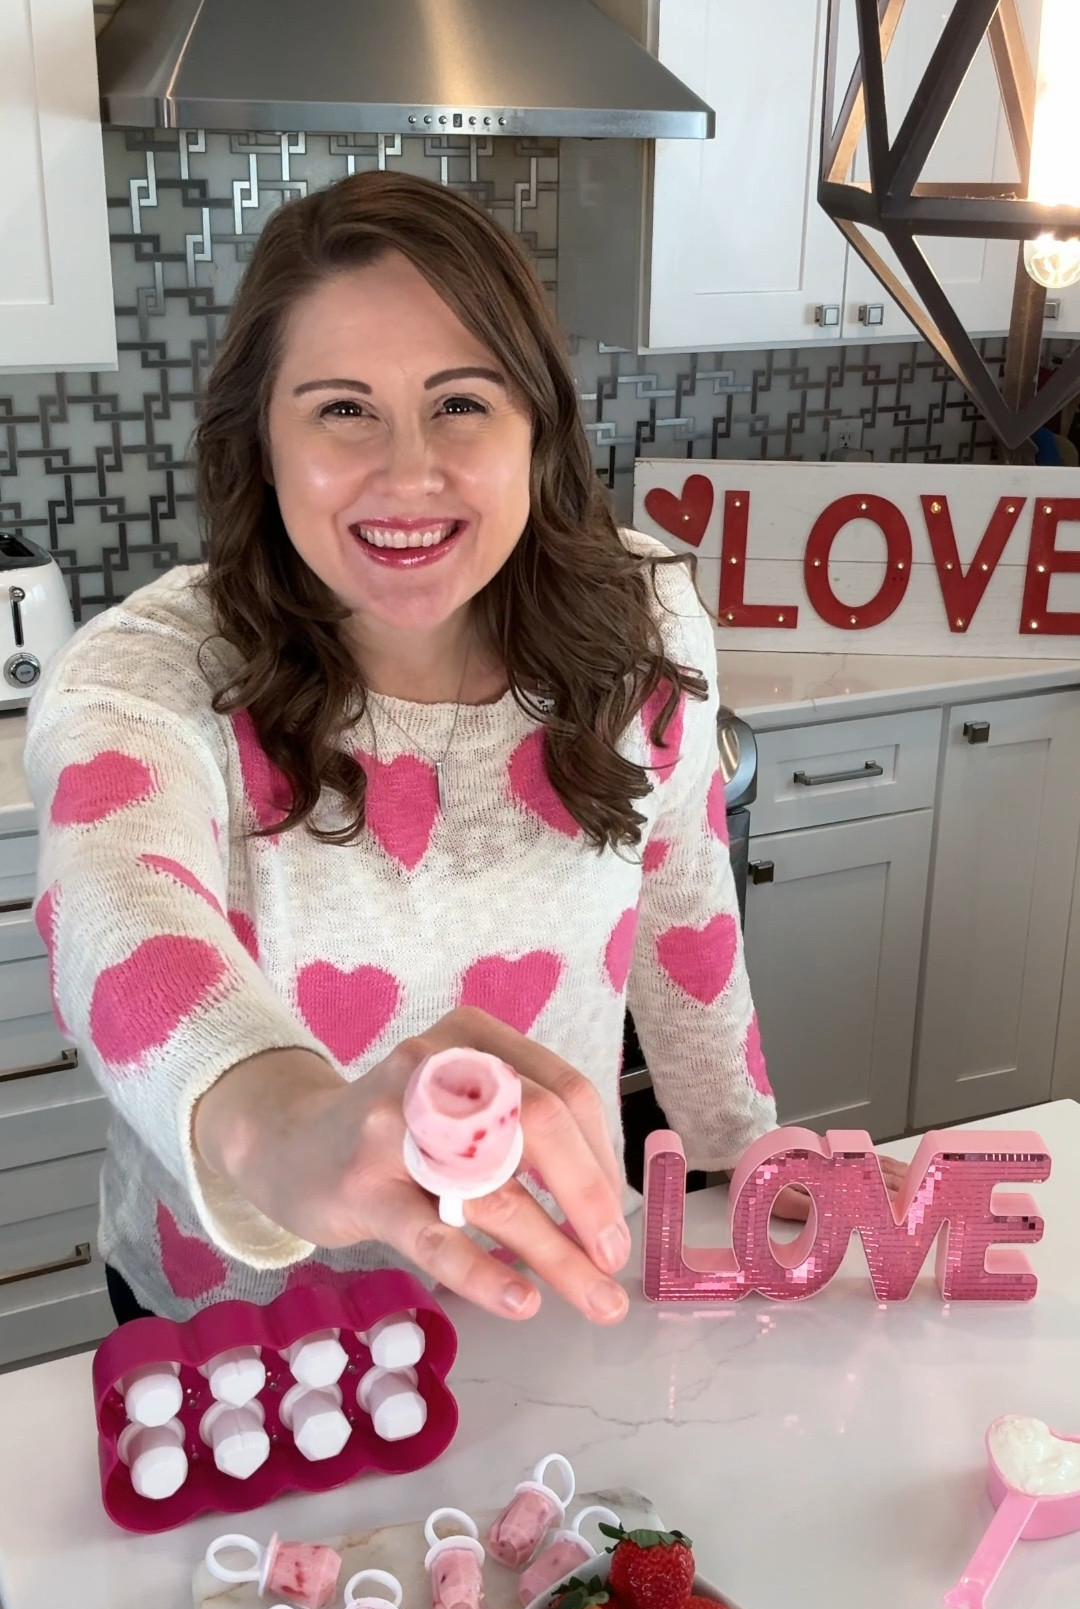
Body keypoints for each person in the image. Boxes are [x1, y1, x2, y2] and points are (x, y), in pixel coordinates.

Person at [25, 171, 778, 1332]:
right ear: (262, 443)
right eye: (341, 409)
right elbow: (117, 914)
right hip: (246, 1327)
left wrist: (750, 1160)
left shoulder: (646, 622)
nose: (408, 470)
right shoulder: (147, 676)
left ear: (537, 430)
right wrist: (278, 1118)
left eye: (462, 403)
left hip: (547, 1283)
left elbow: (684, 904)